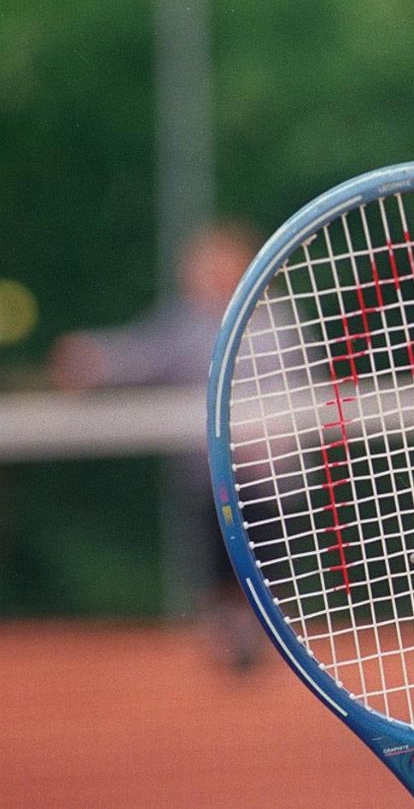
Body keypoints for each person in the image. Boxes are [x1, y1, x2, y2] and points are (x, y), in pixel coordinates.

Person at [49, 221, 263, 670]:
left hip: (269, 482)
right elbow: (138, 355)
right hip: (206, 479)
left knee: (259, 559)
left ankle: (253, 627)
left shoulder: (277, 323)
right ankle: (230, 629)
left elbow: (302, 395)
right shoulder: (184, 326)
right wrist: (90, 359)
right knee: (214, 557)